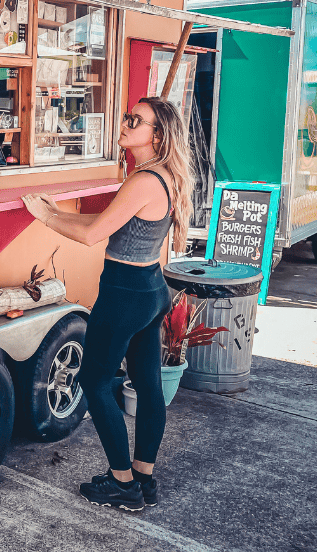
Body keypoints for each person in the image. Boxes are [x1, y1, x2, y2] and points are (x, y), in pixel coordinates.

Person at [21, 96, 193, 512]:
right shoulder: (159, 176)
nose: (126, 122)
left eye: (137, 120)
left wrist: (43, 217)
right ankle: (143, 479)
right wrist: (54, 211)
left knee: (94, 384)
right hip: (150, 289)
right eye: (127, 115)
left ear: (157, 134)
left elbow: (90, 235)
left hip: (125, 294)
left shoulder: (142, 181)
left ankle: (122, 484)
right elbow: (108, 225)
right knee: (148, 386)